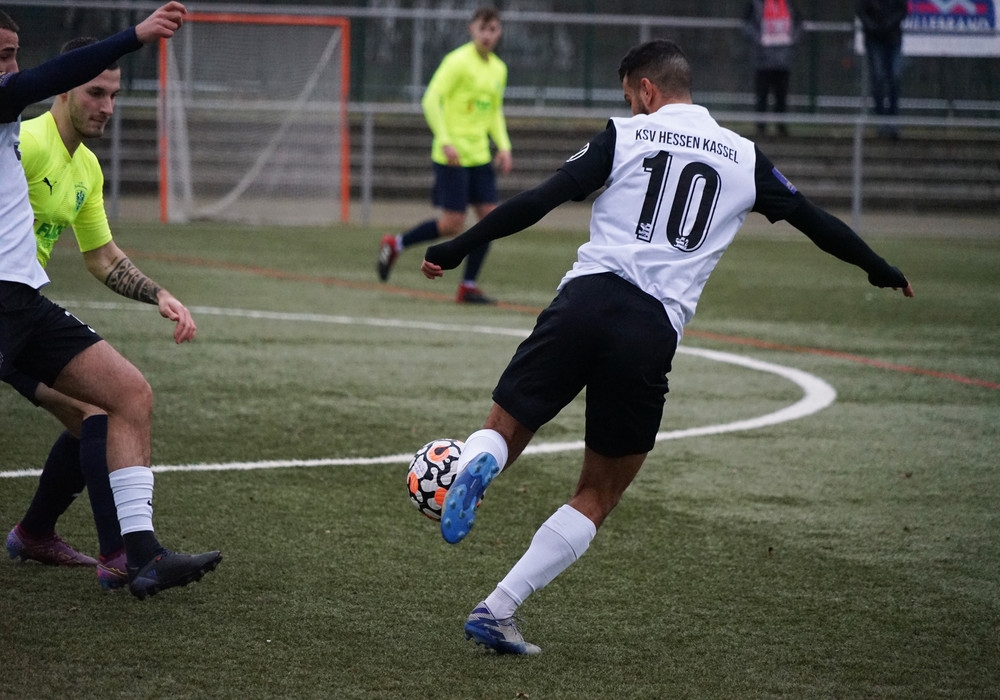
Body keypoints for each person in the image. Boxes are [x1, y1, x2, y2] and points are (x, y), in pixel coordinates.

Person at [420, 39, 914, 655]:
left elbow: (540, 198)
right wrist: (879, 269)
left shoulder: (624, 136)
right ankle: (498, 608)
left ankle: (482, 464)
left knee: (503, 427)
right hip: (650, 328)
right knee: (598, 492)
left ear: (647, 90)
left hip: (583, 302)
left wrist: (458, 247)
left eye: (631, 97)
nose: (631, 107)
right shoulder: (744, 156)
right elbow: (818, 223)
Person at [1, 3, 222, 600]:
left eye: (114, 95)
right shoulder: (24, 139)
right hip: (6, 307)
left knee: (119, 399)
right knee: (93, 413)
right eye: (95, 91)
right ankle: (114, 552)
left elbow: (100, 257)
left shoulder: (86, 167)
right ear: (64, 89)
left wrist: (158, 293)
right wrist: (136, 35)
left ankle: (114, 550)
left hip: (23, 304)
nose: (106, 106)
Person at [377, 5, 512, 304]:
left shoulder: (499, 69)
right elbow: (430, 100)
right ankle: (396, 243)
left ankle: (468, 286)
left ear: (499, 32)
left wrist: (504, 146)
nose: (487, 35)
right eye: (482, 28)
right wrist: (445, 139)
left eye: (492, 29)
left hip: (479, 155)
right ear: (472, 29)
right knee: (453, 223)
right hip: (452, 156)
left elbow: (494, 112)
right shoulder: (457, 62)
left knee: (492, 221)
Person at [743, 0, 803, 137]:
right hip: (762, 59)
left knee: (781, 94)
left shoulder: (789, 4)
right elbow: (746, 25)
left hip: (783, 59)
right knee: (762, 94)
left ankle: (781, 126)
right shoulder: (757, 4)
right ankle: (760, 127)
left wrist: (791, 39)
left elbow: (799, 24)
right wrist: (759, 39)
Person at [856, 0, 908, 139]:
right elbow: (861, 10)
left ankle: (893, 119)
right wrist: (872, 26)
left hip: (893, 37)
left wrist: (889, 24)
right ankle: (881, 119)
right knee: (878, 78)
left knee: (895, 78)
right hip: (873, 39)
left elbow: (902, 10)